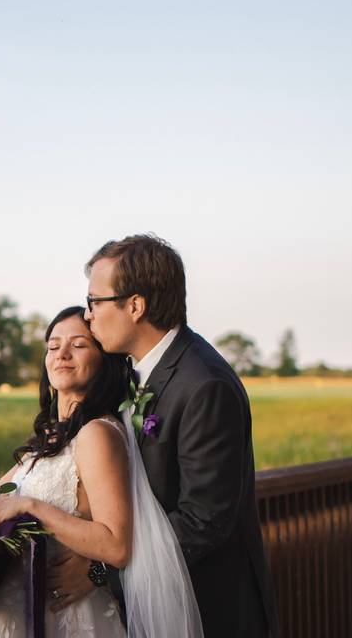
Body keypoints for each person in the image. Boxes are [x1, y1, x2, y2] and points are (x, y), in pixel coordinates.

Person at [48, 234, 281, 637]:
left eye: (94, 302)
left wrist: (102, 573)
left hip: (209, 608)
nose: (87, 316)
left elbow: (203, 521)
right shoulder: (132, 374)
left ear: (135, 306)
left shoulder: (204, 384)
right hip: (154, 605)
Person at [0, 306, 203, 637]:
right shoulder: (50, 438)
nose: (62, 353)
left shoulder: (96, 434)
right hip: (24, 605)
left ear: (103, 359)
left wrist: (31, 506)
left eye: (78, 345)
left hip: (69, 617)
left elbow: (117, 545)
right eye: (53, 346)